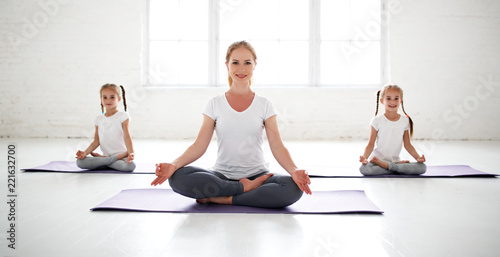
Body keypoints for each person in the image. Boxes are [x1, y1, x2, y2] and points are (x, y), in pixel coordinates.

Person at [151, 41, 311, 208]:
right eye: (235, 62)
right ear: (227, 65)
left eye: (247, 63)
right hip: (220, 176)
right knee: (178, 177)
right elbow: (199, 145)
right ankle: (243, 189)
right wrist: (174, 165)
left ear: (255, 65)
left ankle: (225, 198)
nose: (241, 69)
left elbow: (277, 146)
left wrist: (294, 171)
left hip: (259, 177)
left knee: (292, 188)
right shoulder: (215, 103)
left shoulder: (264, 104)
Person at [359, 85, 426, 175]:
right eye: (389, 98)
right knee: (364, 169)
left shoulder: (405, 121)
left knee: (422, 168)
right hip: (376, 161)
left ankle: (388, 166)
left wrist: (418, 158)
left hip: (394, 161)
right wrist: (365, 158)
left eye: (396, 98)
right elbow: (370, 144)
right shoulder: (377, 121)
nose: (392, 102)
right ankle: (396, 167)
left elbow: (408, 145)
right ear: (382, 101)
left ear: (400, 100)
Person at [75, 83, 136, 172]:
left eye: (112, 97)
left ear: (118, 99)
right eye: (105, 97)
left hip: (122, 156)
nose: (108, 100)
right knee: (79, 162)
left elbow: (127, 136)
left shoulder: (123, 116)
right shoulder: (98, 119)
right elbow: (96, 141)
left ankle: (103, 160)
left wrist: (131, 153)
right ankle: (108, 160)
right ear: (101, 99)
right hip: (111, 157)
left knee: (130, 166)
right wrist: (85, 153)